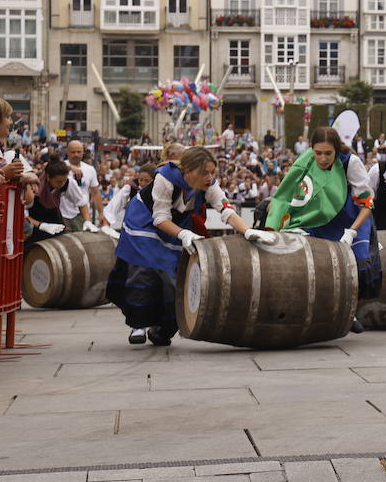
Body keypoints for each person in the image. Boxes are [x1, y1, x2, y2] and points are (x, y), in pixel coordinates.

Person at [107, 146, 270, 346]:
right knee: (144, 270)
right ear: (188, 171)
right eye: (205, 172)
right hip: (144, 220)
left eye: (212, 172)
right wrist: (183, 233)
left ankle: (163, 330)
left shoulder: (209, 184)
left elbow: (225, 209)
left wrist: (247, 230)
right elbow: (159, 218)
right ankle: (138, 324)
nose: (209, 177)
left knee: (175, 280)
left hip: (175, 225)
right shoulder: (165, 179)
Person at [267, 127, 376, 334]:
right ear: (311, 149)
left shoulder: (349, 162)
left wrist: (352, 231)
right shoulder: (305, 160)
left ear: (336, 150)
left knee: (359, 264)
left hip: (351, 218)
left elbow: (367, 204)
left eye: (328, 153)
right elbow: (285, 193)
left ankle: (349, 309)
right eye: (318, 153)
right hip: (318, 218)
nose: (323, 158)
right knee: (312, 264)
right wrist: (273, 225)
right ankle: (320, 310)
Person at [23, 159, 73, 246]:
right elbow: (24, 215)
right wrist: (41, 225)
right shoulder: (35, 188)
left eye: (64, 181)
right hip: (36, 225)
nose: (62, 184)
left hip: (54, 222)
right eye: (58, 181)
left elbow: (81, 202)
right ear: (48, 177)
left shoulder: (66, 184)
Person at [61, 140, 104, 232]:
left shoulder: (90, 169)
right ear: (67, 152)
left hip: (82, 215)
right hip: (62, 214)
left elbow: (95, 193)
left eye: (79, 152)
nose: (76, 154)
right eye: (73, 152)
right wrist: (69, 168)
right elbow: (47, 167)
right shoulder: (60, 166)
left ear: (83, 152)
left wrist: (100, 213)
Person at [104, 162, 157, 231]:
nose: (143, 183)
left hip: (152, 226)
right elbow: (116, 202)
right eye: (140, 180)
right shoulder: (131, 187)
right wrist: (107, 219)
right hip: (133, 225)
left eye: (147, 181)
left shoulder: (159, 190)